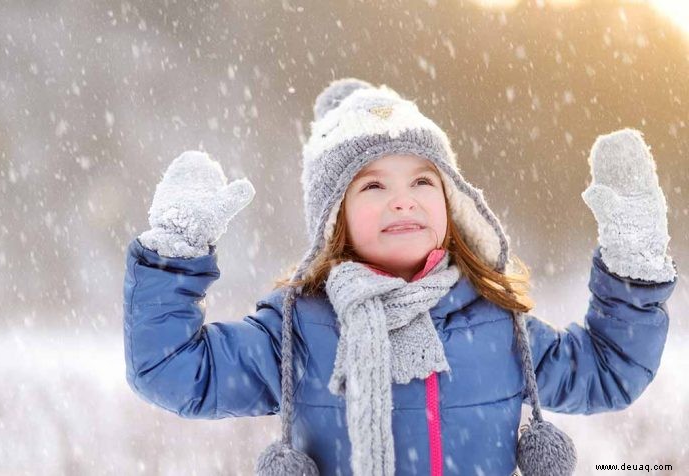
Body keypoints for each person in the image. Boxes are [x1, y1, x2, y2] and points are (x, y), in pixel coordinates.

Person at [123, 78, 678, 476]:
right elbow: (171, 370)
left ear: (453, 204)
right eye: (372, 186)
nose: (402, 201)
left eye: (421, 181)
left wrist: (633, 258)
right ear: (332, 218)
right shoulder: (299, 333)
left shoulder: (497, 324)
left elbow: (609, 370)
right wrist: (177, 251)